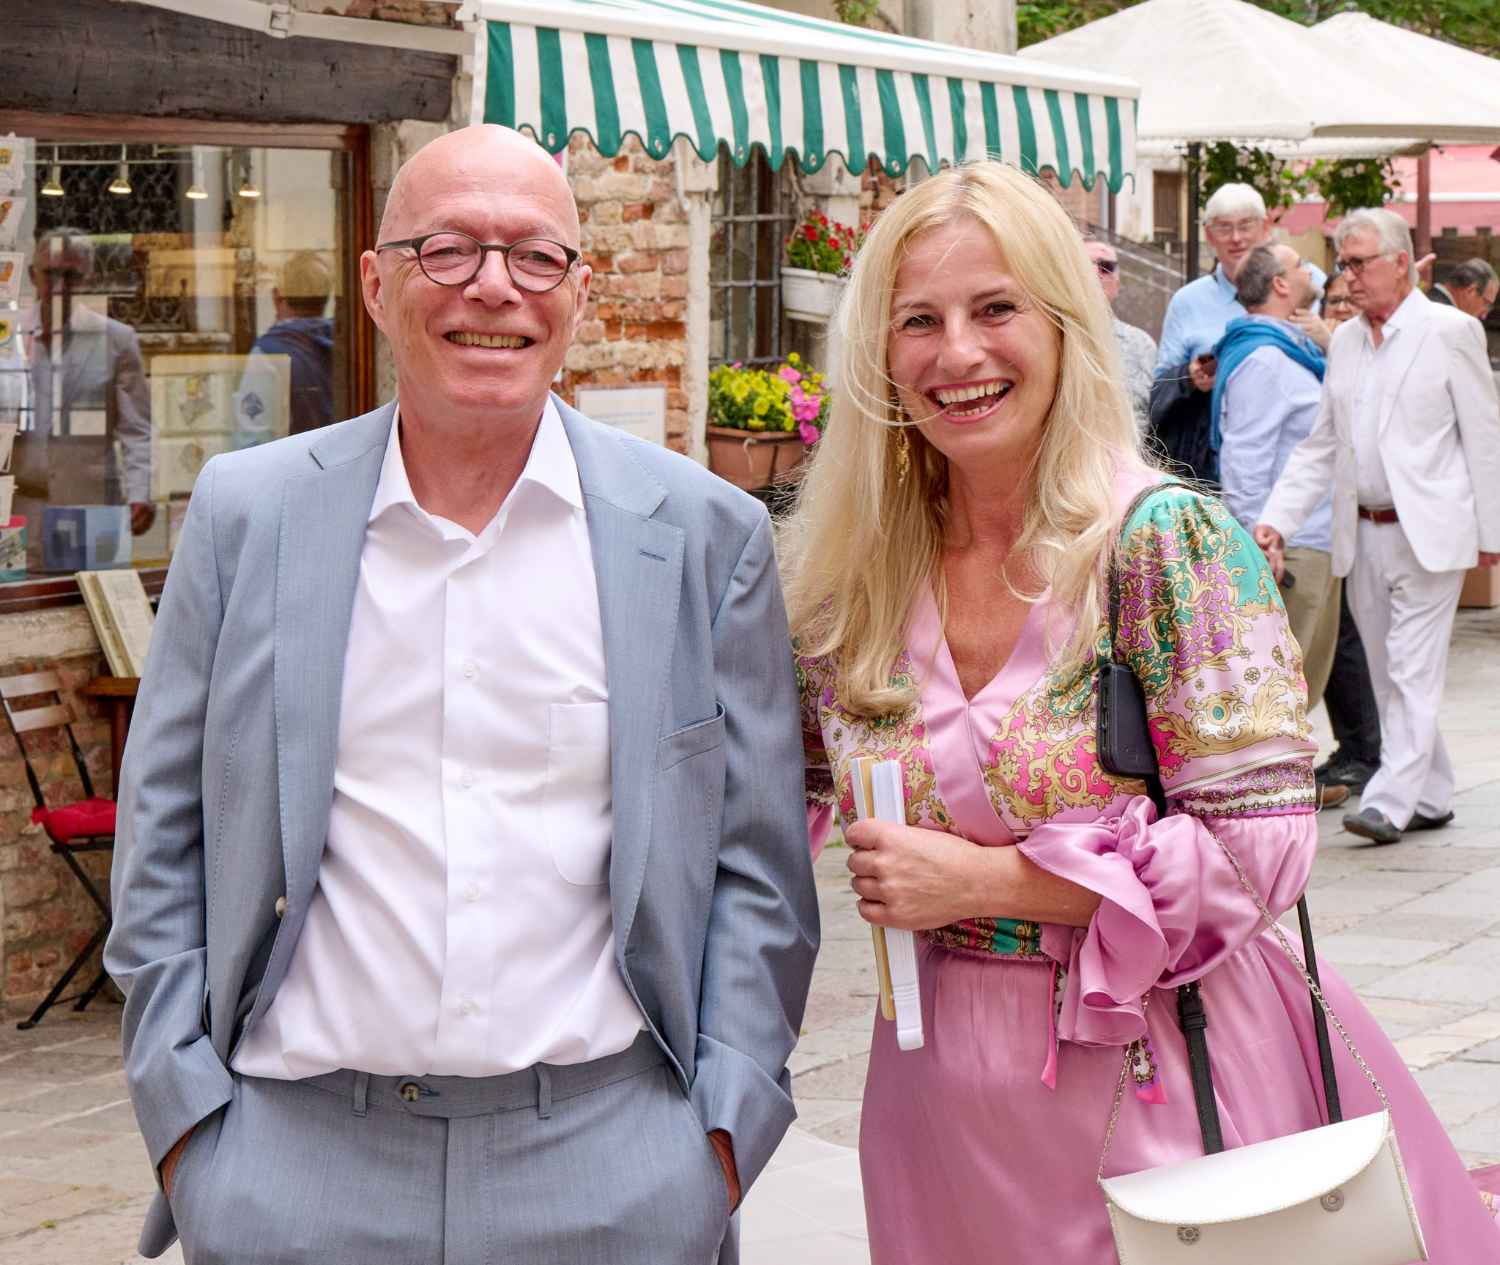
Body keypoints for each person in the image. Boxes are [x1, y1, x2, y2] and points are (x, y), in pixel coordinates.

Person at [105, 124, 818, 1265]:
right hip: (293, 1166)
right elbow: (163, 830)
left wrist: (714, 1144)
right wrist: (189, 1128)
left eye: (536, 255)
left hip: (611, 1168)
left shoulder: (702, 536)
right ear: (376, 286)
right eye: (448, 249)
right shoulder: (247, 515)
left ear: (581, 293)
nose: (495, 286)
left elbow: (760, 869)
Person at [781, 161, 1500, 1261]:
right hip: (936, 1101)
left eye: (996, 308)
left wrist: (987, 883)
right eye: (918, 319)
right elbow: (767, 810)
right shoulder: (850, 579)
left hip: (1164, 1080)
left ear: (1066, 326)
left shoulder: (1166, 544)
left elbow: (1263, 850)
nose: (957, 352)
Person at [1258, 208, 1500, 846]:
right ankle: (1433, 793)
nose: (1349, 277)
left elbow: (1484, 438)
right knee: (1388, 672)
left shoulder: (1450, 331)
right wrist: (1277, 519)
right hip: (1360, 531)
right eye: (1344, 264)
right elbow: (1321, 444)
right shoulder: (1345, 341)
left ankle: (1390, 802)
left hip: (1431, 531)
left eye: (1360, 263)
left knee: (1412, 669)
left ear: (1400, 262)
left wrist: (1493, 535)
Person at [1212, 244, 1344, 811]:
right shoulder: (1265, 359)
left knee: (1305, 673)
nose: (1312, 272)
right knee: (1284, 679)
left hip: (1314, 537)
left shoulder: (1291, 348)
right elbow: (1245, 457)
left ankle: (1284, 786)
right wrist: (1256, 541)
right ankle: (1267, 795)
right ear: (1281, 286)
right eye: (1299, 266)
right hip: (1291, 545)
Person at [14, 228, 154, 563]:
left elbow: (137, 429)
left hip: (92, 508)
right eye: (51, 274)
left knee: (93, 593)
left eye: (71, 276)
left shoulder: (116, 340)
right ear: (33, 275)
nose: (59, 286)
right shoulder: (9, 335)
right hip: (19, 511)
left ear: (87, 278)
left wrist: (140, 492)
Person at [1312, 269, 1382, 798]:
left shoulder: (1359, 351)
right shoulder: (1330, 351)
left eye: (1345, 302)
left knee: (1357, 643)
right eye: (1330, 302)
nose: (1338, 311)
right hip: (1327, 520)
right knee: (1347, 638)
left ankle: (1368, 754)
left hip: (1368, 520)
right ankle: (1363, 751)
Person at [233, 250, 336, 444]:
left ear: (277, 296)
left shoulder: (268, 354)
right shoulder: (346, 347)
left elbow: (253, 438)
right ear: (326, 297)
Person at [1084, 237, 1155, 430]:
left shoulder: (1141, 344)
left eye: (1106, 266)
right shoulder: (1050, 339)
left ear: (1117, 284)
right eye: (1085, 265)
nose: (1096, 273)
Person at [1429, 256, 1498, 320]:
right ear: (1471, 291)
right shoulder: (1454, 320)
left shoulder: (1426, 299)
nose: (1484, 316)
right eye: (1486, 303)